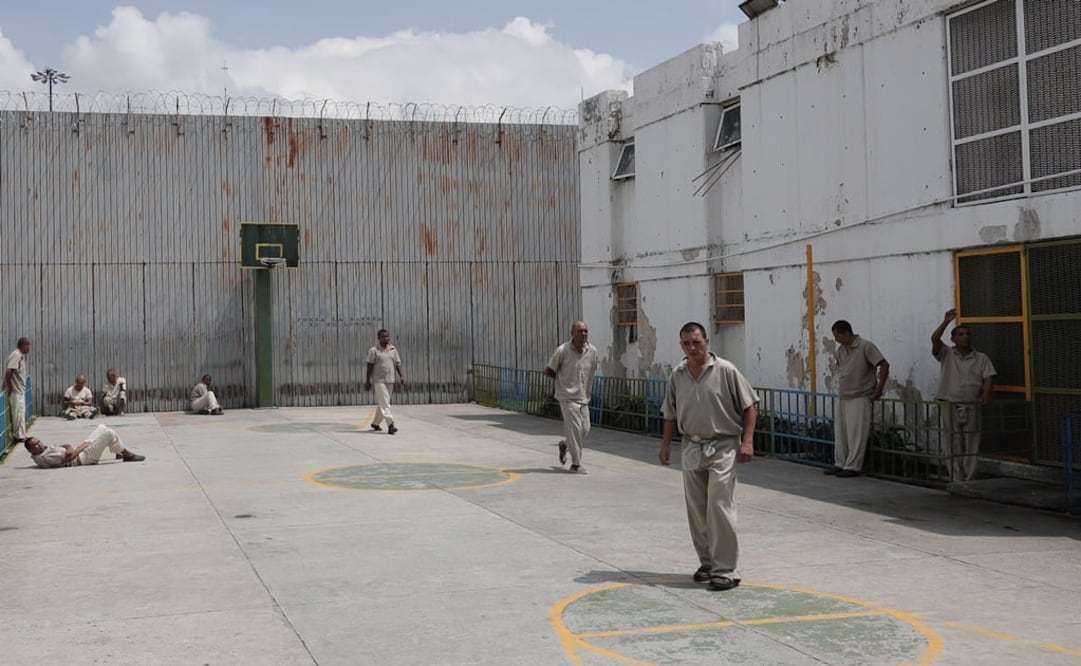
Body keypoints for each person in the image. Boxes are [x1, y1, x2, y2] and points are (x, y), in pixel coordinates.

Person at [658, 322, 758, 592]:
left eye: (696, 342)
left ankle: (726, 568)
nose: (692, 348)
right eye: (686, 343)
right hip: (691, 445)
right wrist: (666, 444)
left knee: (718, 503)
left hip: (723, 445)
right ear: (681, 345)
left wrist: (747, 442)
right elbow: (670, 412)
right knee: (697, 508)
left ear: (707, 342)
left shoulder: (725, 370)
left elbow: (750, 406)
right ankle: (707, 562)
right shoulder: (677, 375)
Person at [931, 308, 996, 482]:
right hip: (949, 404)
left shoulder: (981, 358)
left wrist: (987, 393)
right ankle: (956, 476)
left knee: (972, 442)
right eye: (960, 334)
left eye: (967, 334)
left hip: (972, 404)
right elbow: (935, 339)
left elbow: (989, 376)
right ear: (953, 339)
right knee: (952, 442)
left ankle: (970, 477)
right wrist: (946, 321)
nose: (965, 337)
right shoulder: (947, 354)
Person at [826, 320, 890, 477]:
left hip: (860, 395)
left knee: (856, 433)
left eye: (837, 336)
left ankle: (853, 466)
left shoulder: (865, 346)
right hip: (844, 394)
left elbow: (884, 364)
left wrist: (879, 388)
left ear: (846, 333)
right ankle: (840, 463)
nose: (836, 339)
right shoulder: (841, 350)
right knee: (841, 432)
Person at [544, 321, 598, 472]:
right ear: (572, 333)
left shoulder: (592, 351)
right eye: (580, 331)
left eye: (586, 331)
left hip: (583, 397)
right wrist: (562, 382)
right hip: (567, 396)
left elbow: (591, 371)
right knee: (574, 429)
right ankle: (576, 463)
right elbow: (549, 370)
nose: (584, 334)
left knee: (585, 430)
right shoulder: (562, 350)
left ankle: (565, 445)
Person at [24, 424, 145, 468]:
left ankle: (117, 450)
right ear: (31, 451)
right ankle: (126, 454)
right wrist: (82, 447)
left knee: (102, 427)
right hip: (84, 458)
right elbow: (68, 458)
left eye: (38, 441)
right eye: (35, 445)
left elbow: (67, 447)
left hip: (80, 451)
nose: (39, 444)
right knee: (110, 433)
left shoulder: (44, 450)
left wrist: (70, 447)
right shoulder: (43, 457)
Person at [365, 329, 404, 434]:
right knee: (385, 403)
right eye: (383, 337)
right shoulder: (374, 350)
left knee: (383, 403)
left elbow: (397, 364)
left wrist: (401, 376)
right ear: (379, 338)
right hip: (379, 381)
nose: (386, 338)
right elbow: (369, 366)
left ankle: (376, 423)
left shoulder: (393, 349)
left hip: (390, 380)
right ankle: (391, 425)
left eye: (387, 336)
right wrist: (368, 380)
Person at [4, 337, 31, 442]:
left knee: (20, 412)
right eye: (28, 346)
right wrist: (9, 386)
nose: (29, 348)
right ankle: (19, 435)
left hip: (19, 389)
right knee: (18, 413)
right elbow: (9, 371)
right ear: (23, 345)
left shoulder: (19, 356)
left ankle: (22, 433)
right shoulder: (16, 355)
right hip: (16, 390)